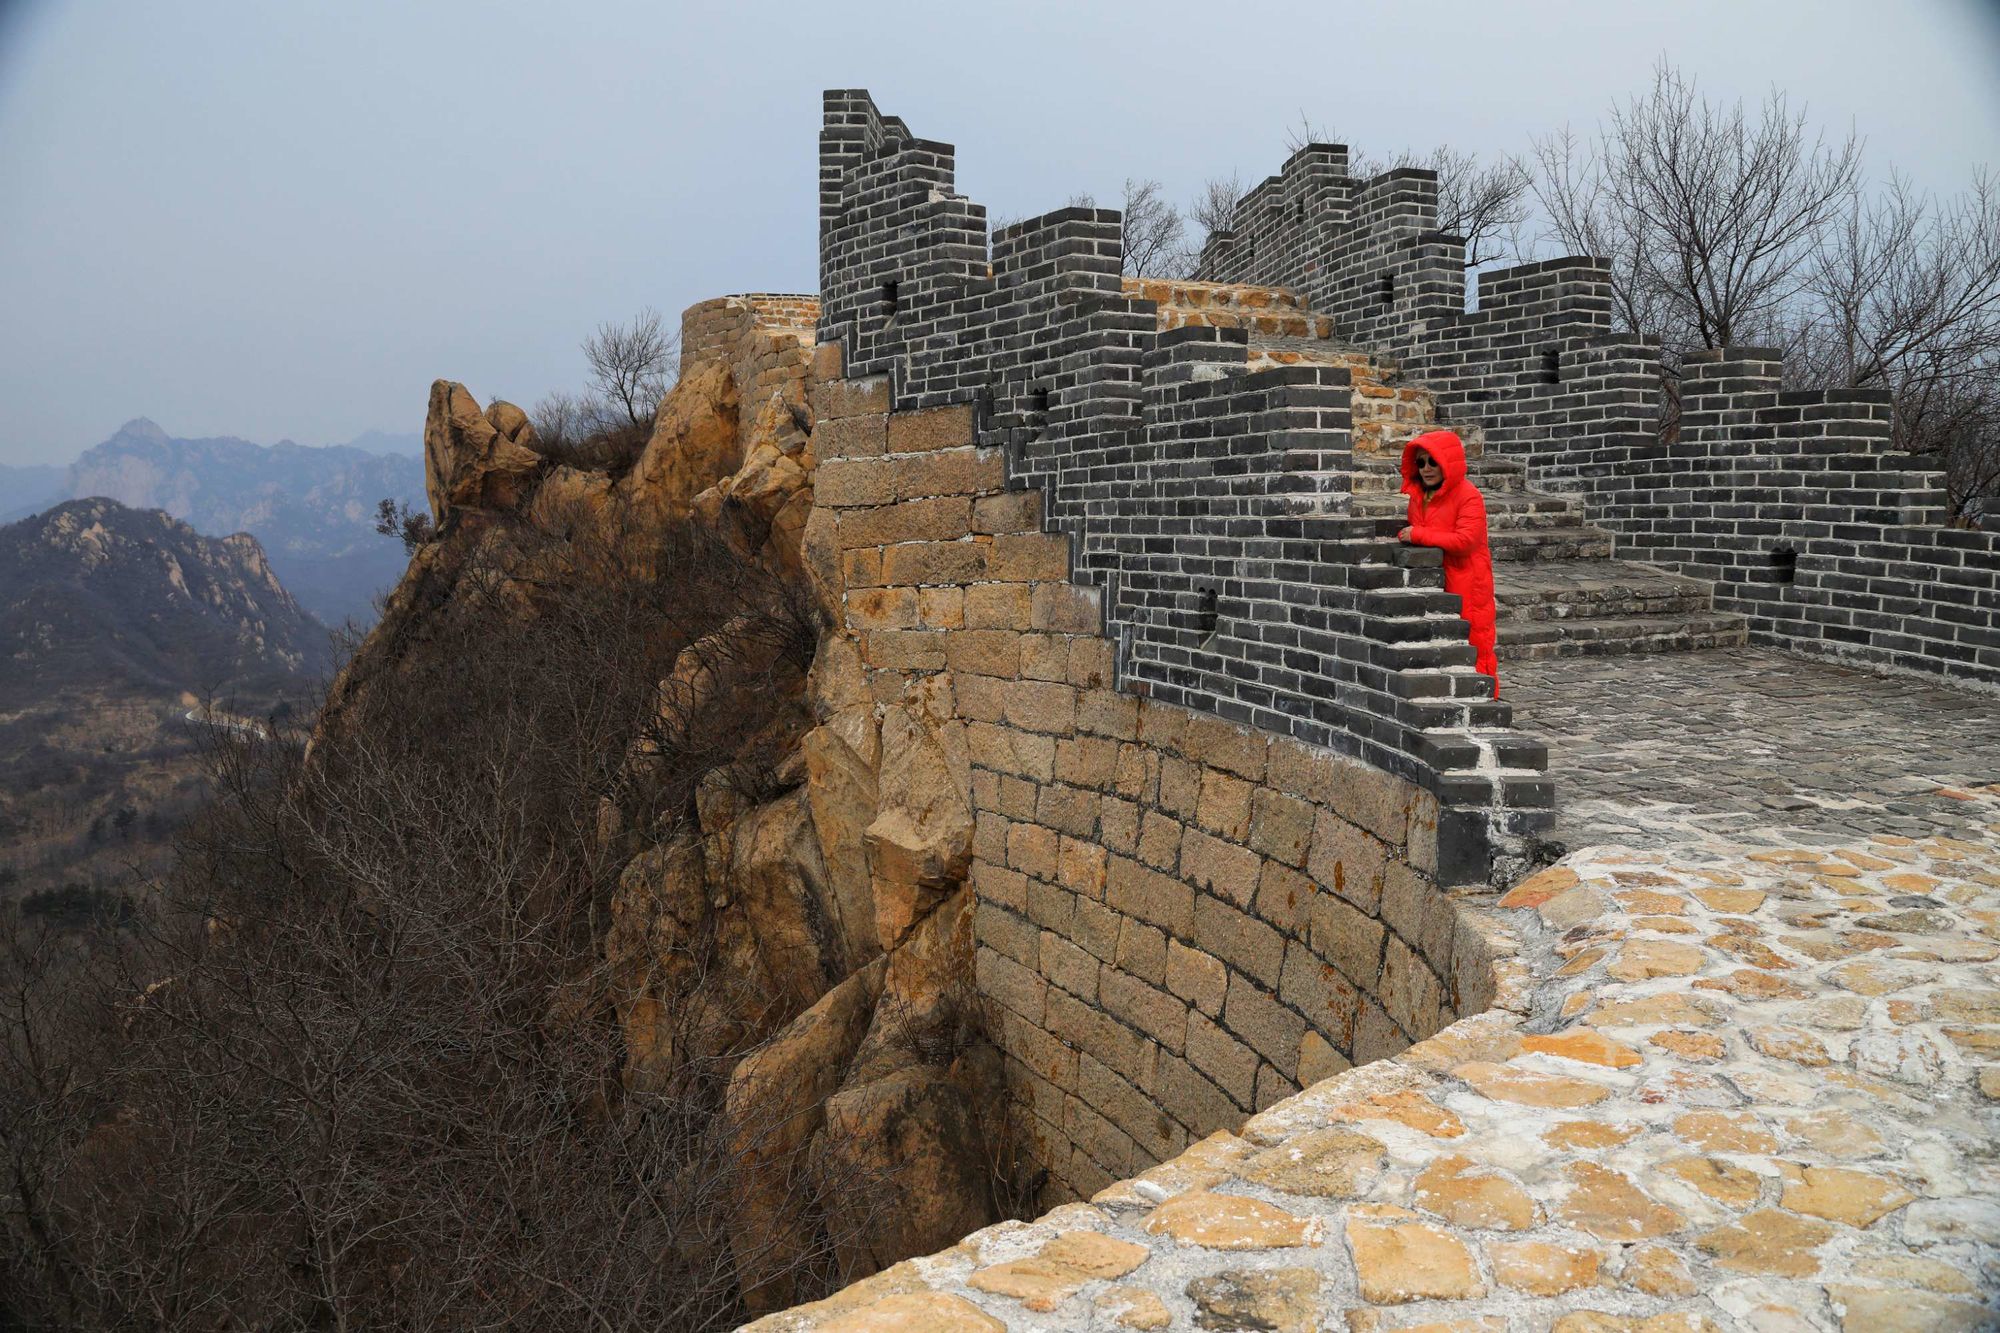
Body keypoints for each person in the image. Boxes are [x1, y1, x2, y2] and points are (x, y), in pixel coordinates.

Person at [1397, 429, 1499, 697]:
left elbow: (1466, 541)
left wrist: (1417, 535)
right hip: (1438, 579)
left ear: (1447, 463)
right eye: (1420, 462)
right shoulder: (1420, 496)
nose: (1426, 469)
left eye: (1433, 461)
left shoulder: (1468, 495)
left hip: (1468, 580)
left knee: (1475, 641)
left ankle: (1484, 696)